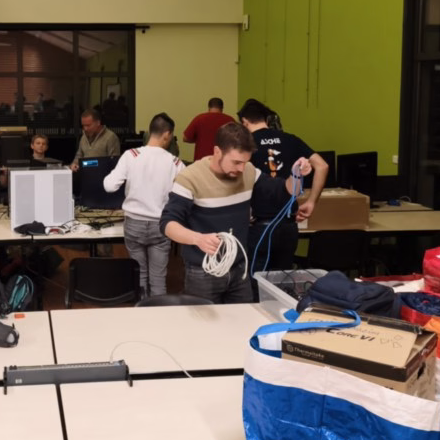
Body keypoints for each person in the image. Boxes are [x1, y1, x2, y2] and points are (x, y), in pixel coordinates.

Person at [161, 122, 311, 303]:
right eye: (236, 162)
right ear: (217, 152)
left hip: (239, 269)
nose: (241, 168)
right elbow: (168, 224)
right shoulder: (190, 178)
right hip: (203, 271)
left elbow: (283, 192)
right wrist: (198, 239)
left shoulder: (248, 172)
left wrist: (296, 175)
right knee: (204, 320)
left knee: (242, 318)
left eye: (245, 162)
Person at [237, 99, 330, 272]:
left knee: (255, 280)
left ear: (244, 122)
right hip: (288, 225)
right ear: (266, 119)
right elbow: (322, 166)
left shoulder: (246, 144)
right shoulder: (290, 139)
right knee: (282, 280)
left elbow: (238, 176)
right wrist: (311, 202)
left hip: (260, 226)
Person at [103, 113, 184, 297]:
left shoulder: (131, 155)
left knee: (139, 277)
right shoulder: (176, 163)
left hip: (134, 224)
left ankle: (141, 310)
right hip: (161, 225)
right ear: (167, 135)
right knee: (158, 280)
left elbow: (109, 186)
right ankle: (157, 313)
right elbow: (185, 194)